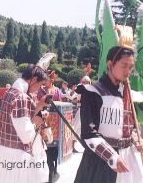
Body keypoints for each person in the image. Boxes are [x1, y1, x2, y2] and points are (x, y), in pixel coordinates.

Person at [74, 46, 143, 183]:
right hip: (100, 164)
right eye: (124, 66)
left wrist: (136, 140)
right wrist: (112, 157)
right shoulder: (92, 92)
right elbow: (89, 133)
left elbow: (130, 127)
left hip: (128, 161)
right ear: (110, 64)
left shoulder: (127, 93)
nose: (128, 71)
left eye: (130, 67)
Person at [0, 64, 49, 183]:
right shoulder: (21, 97)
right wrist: (36, 122)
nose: (39, 89)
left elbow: (16, 120)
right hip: (17, 157)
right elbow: (26, 136)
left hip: (4, 151)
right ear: (34, 79)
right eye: (40, 85)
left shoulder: (9, 92)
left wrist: (38, 107)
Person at [37, 70, 61, 182]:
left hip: (54, 125)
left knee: (53, 150)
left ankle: (52, 170)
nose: (44, 81)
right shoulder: (39, 91)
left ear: (51, 80)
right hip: (42, 123)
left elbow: (60, 105)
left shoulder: (57, 91)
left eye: (47, 79)